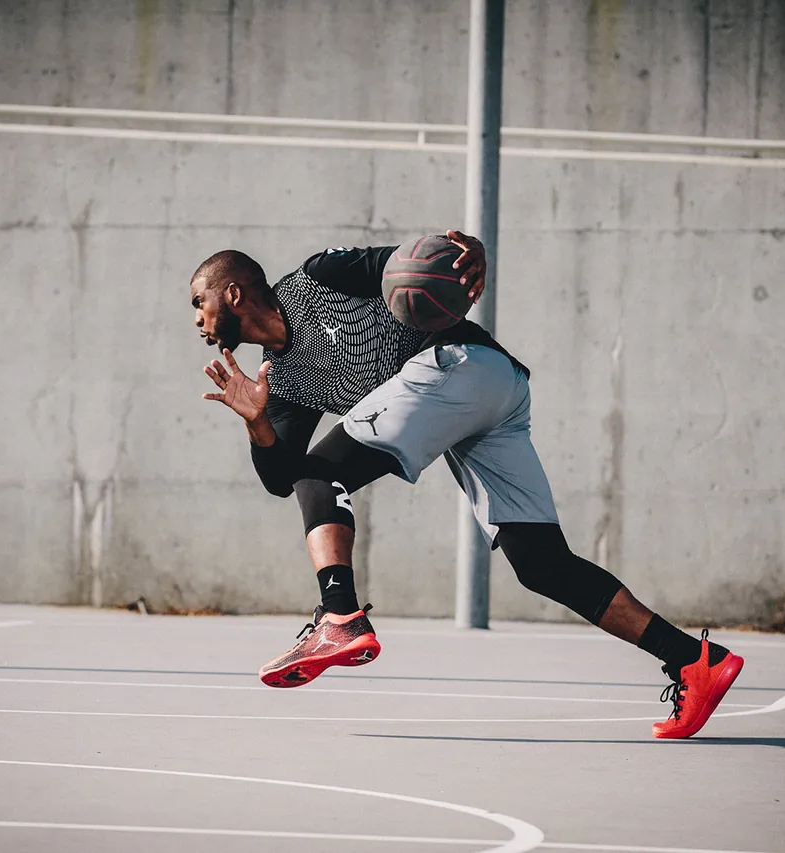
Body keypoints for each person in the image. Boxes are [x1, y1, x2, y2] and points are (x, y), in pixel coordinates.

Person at [190, 231, 744, 738]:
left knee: (324, 470)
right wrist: (257, 423)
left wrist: (470, 252)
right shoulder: (279, 376)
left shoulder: (318, 278)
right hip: (489, 395)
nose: (197, 321)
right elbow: (280, 480)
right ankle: (696, 660)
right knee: (540, 563)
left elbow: (411, 260)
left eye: (199, 303)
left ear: (233, 294)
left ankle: (338, 615)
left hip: (460, 362)